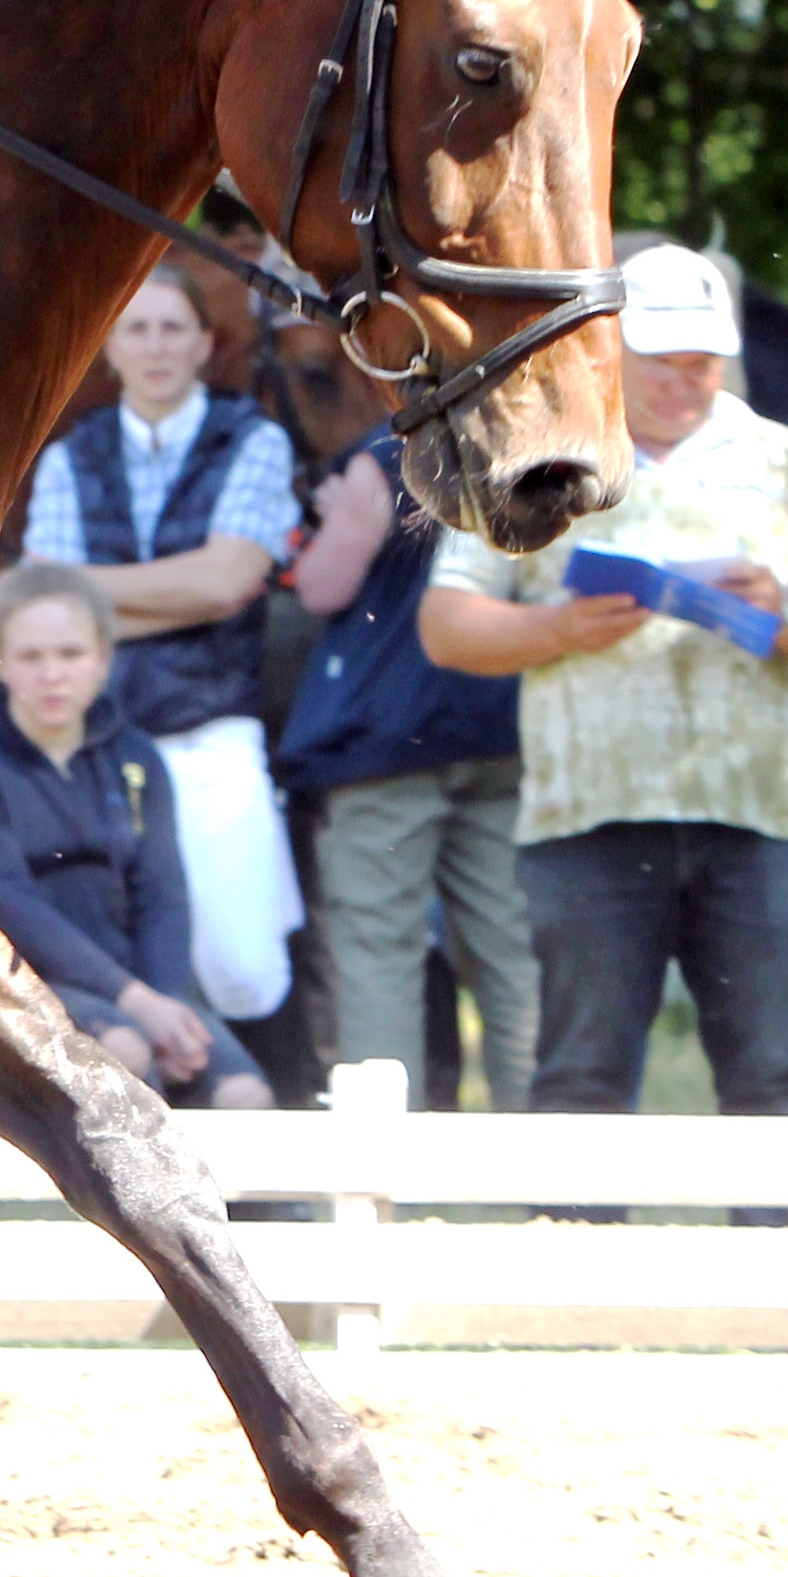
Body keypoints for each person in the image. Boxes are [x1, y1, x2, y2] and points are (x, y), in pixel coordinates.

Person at [418, 244, 788, 1170]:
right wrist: (562, 628)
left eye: (703, 359)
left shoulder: (784, 459)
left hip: (759, 815)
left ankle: (785, 1298)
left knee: (770, 1075)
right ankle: (574, 1301)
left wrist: (782, 611)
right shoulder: (544, 456)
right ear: (613, 347)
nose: (684, 379)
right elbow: (445, 625)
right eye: (663, 357)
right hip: (586, 813)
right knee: (582, 1077)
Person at [18, 267, 304, 1028]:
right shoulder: (68, 458)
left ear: (206, 344)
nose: (155, 347)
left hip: (210, 733)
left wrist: (88, 599)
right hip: (98, 748)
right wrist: (184, 591)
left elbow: (227, 580)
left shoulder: (253, 440)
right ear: (108, 347)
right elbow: (44, 616)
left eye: (174, 327)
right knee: (111, 970)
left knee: (246, 972)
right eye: (136, 328)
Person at [0, 562, 273, 1108]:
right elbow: (7, 904)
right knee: (124, 1053)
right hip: (16, 986)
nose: (52, 674)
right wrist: (138, 1005)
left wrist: (165, 1004)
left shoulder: (138, 757)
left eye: (70, 654)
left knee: (244, 1095)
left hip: (136, 987)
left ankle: (254, 1200)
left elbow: (163, 896)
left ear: (104, 659)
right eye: (31, 657)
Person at [275, 425, 538, 1110]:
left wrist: (337, 515)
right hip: (499, 725)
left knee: (377, 957)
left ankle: (383, 1179)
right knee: (514, 955)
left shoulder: (391, 452)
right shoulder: (525, 444)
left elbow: (323, 588)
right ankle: (550, 1183)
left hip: (384, 737)